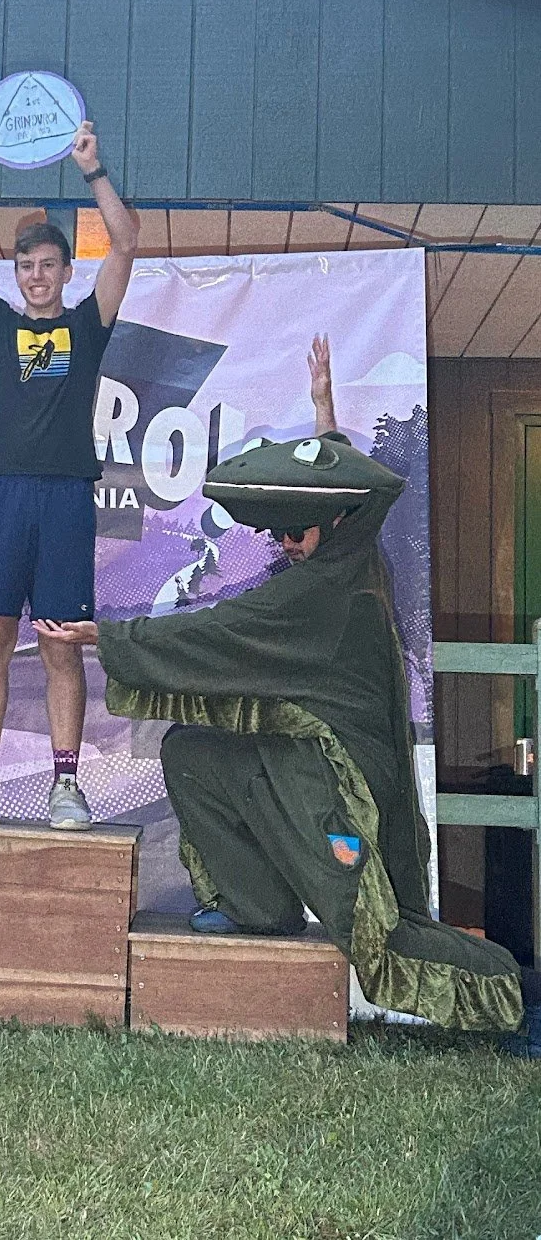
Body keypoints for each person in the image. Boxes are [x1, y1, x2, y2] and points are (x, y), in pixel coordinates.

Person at [35, 342, 540, 1054]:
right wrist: (322, 412)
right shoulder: (346, 552)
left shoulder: (321, 592)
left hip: (344, 790)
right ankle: (254, 908)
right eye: (273, 530)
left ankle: (521, 1003)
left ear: (333, 522)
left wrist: (102, 637)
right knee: (196, 753)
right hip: (303, 759)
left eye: (294, 529)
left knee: (376, 932)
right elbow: (335, 483)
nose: (283, 540)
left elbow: (220, 632)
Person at [0, 112, 136, 830]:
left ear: (64, 271)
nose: (37, 275)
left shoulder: (87, 326)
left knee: (59, 644)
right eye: (25, 266)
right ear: (15, 273)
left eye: (48, 265)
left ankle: (64, 786)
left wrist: (92, 166)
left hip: (63, 497)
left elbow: (128, 242)